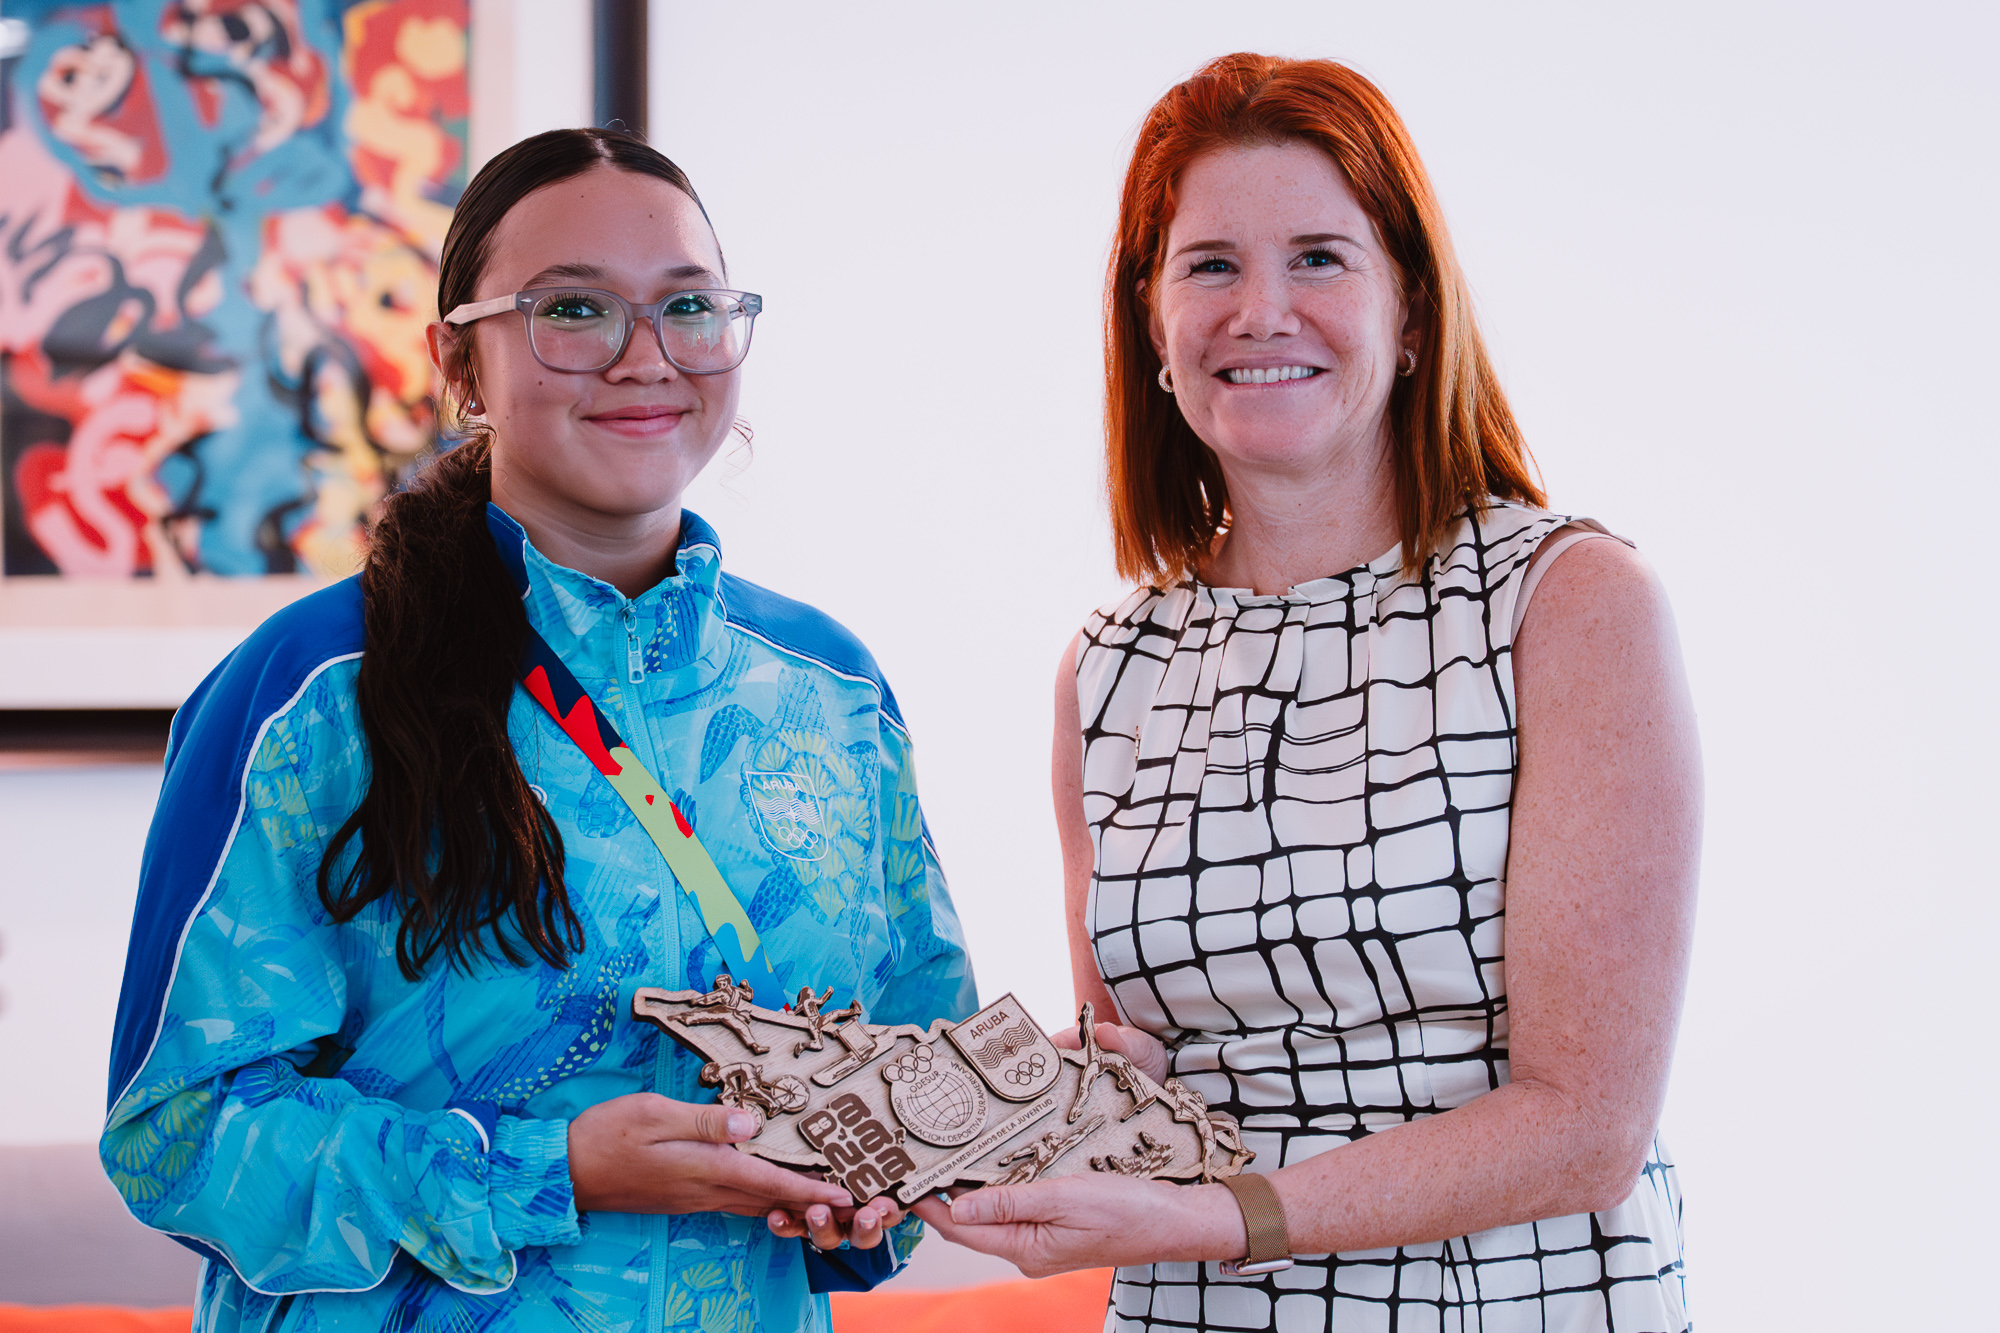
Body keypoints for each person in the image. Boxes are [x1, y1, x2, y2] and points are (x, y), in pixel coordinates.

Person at [100, 127, 976, 1332]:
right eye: (573, 309)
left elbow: (923, 1073)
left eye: (687, 307)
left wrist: (872, 1191)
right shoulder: (312, 688)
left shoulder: (831, 692)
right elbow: (176, 1135)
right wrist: (544, 1169)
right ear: (459, 361)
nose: (644, 357)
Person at [916, 54, 1698, 1333]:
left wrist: (1225, 1216)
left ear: (1410, 309)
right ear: (1151, 322)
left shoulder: (1566, 602)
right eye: (1209, 266)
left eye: (1318, 259)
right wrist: (957, 1129)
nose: (1260, 310)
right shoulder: (1107, 666)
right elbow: (1140, 1068)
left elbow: (1584, 1126)